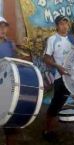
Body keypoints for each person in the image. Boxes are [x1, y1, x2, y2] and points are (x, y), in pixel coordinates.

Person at [43, 15, 74, 141]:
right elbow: (46, 58)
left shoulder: (72, 39)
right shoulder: (52, 39)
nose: (65, 26)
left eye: (66, 23)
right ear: (57, 26)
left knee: (65, 101)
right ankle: (46, 130)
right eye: (61, 24)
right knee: (55, 104)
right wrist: (57, 66)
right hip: (59, 77)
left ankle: (58, 121)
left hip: (72, 77)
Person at [0, 16, 17, 145]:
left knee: (9, 123)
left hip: (6, 87)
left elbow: (14, 63)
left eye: (4, 26)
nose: (2, 29)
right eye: (0, 26)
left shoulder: (10, 44)